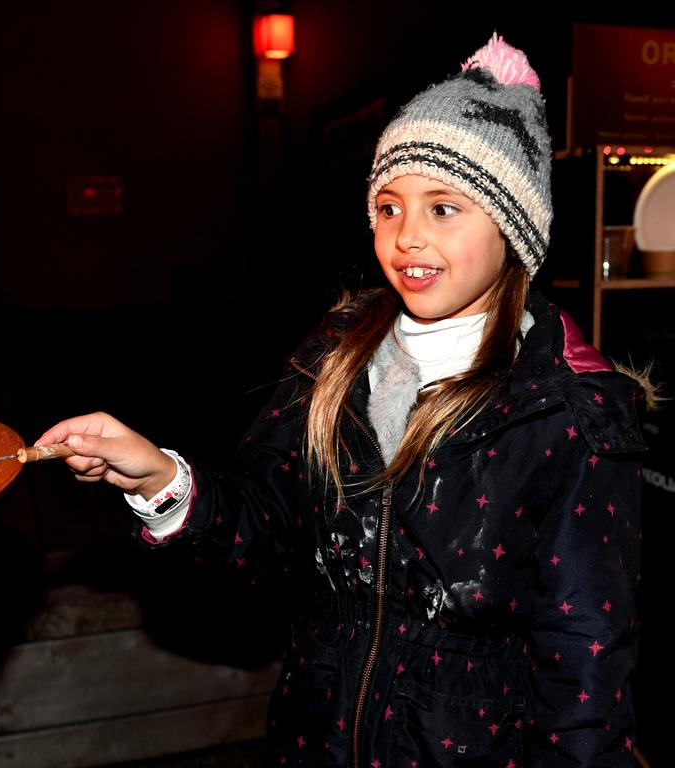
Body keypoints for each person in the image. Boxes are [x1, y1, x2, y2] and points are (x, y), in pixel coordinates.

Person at [37, 35, 647, 766]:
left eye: (444, 208)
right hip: (316, 741)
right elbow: (266, 531)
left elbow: (585, 657)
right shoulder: (337, 359)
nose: (406, 235)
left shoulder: (565, 412)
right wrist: (165, 482)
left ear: (514, 227)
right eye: (388, 206)